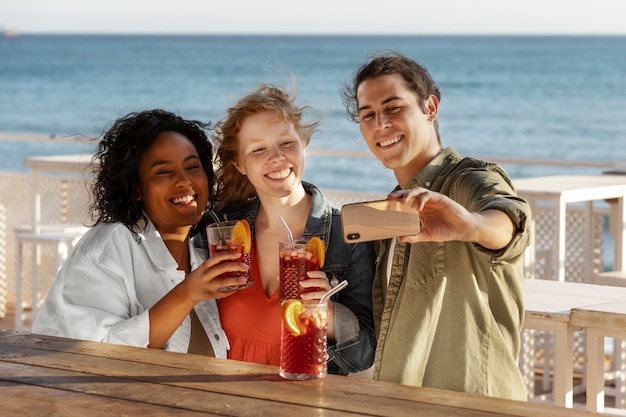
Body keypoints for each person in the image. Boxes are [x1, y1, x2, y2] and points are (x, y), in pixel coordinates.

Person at [341, 52, 532, 400]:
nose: (380, 122)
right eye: (368, 114)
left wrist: (469, 226)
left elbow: (508, 224)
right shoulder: (393, 209)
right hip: (403, 402)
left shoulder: (469, 180)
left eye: (393, 107)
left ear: (430, 108)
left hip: (474, 404)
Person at [33, 109, 248, 358]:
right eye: (163, 172)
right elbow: (100, 354)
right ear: (136, 188)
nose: (184, 180)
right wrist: (188, 294)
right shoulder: (108, 247)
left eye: (192, 166)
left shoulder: (200, 259)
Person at [195, 84, 376, 375]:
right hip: (223, 398)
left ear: (303, 143)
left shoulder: (347, 237)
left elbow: (364, 353)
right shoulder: (218, 232)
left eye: (287, 143)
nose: (276, 156)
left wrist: (328, 313)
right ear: (239, 164)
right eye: (258, 149)